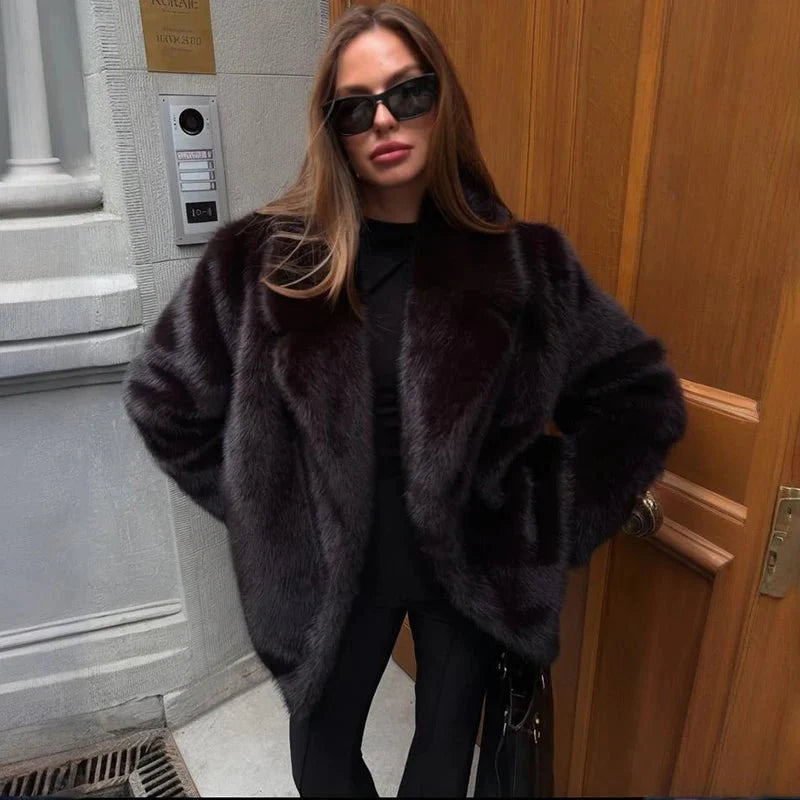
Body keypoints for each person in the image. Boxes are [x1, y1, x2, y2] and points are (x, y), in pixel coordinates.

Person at [122, 2, 688, 797]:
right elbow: (163, 399)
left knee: (442, 762)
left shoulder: (525, 264)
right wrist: (271, 506)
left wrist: (541, 519)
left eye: (407, 93)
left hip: (467, 571)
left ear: (441, 99)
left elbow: (641, 401)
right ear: (335, 129)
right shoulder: (264, 260)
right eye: (356, 107)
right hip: (332, 575)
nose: (383, 119)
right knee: (322, 766)